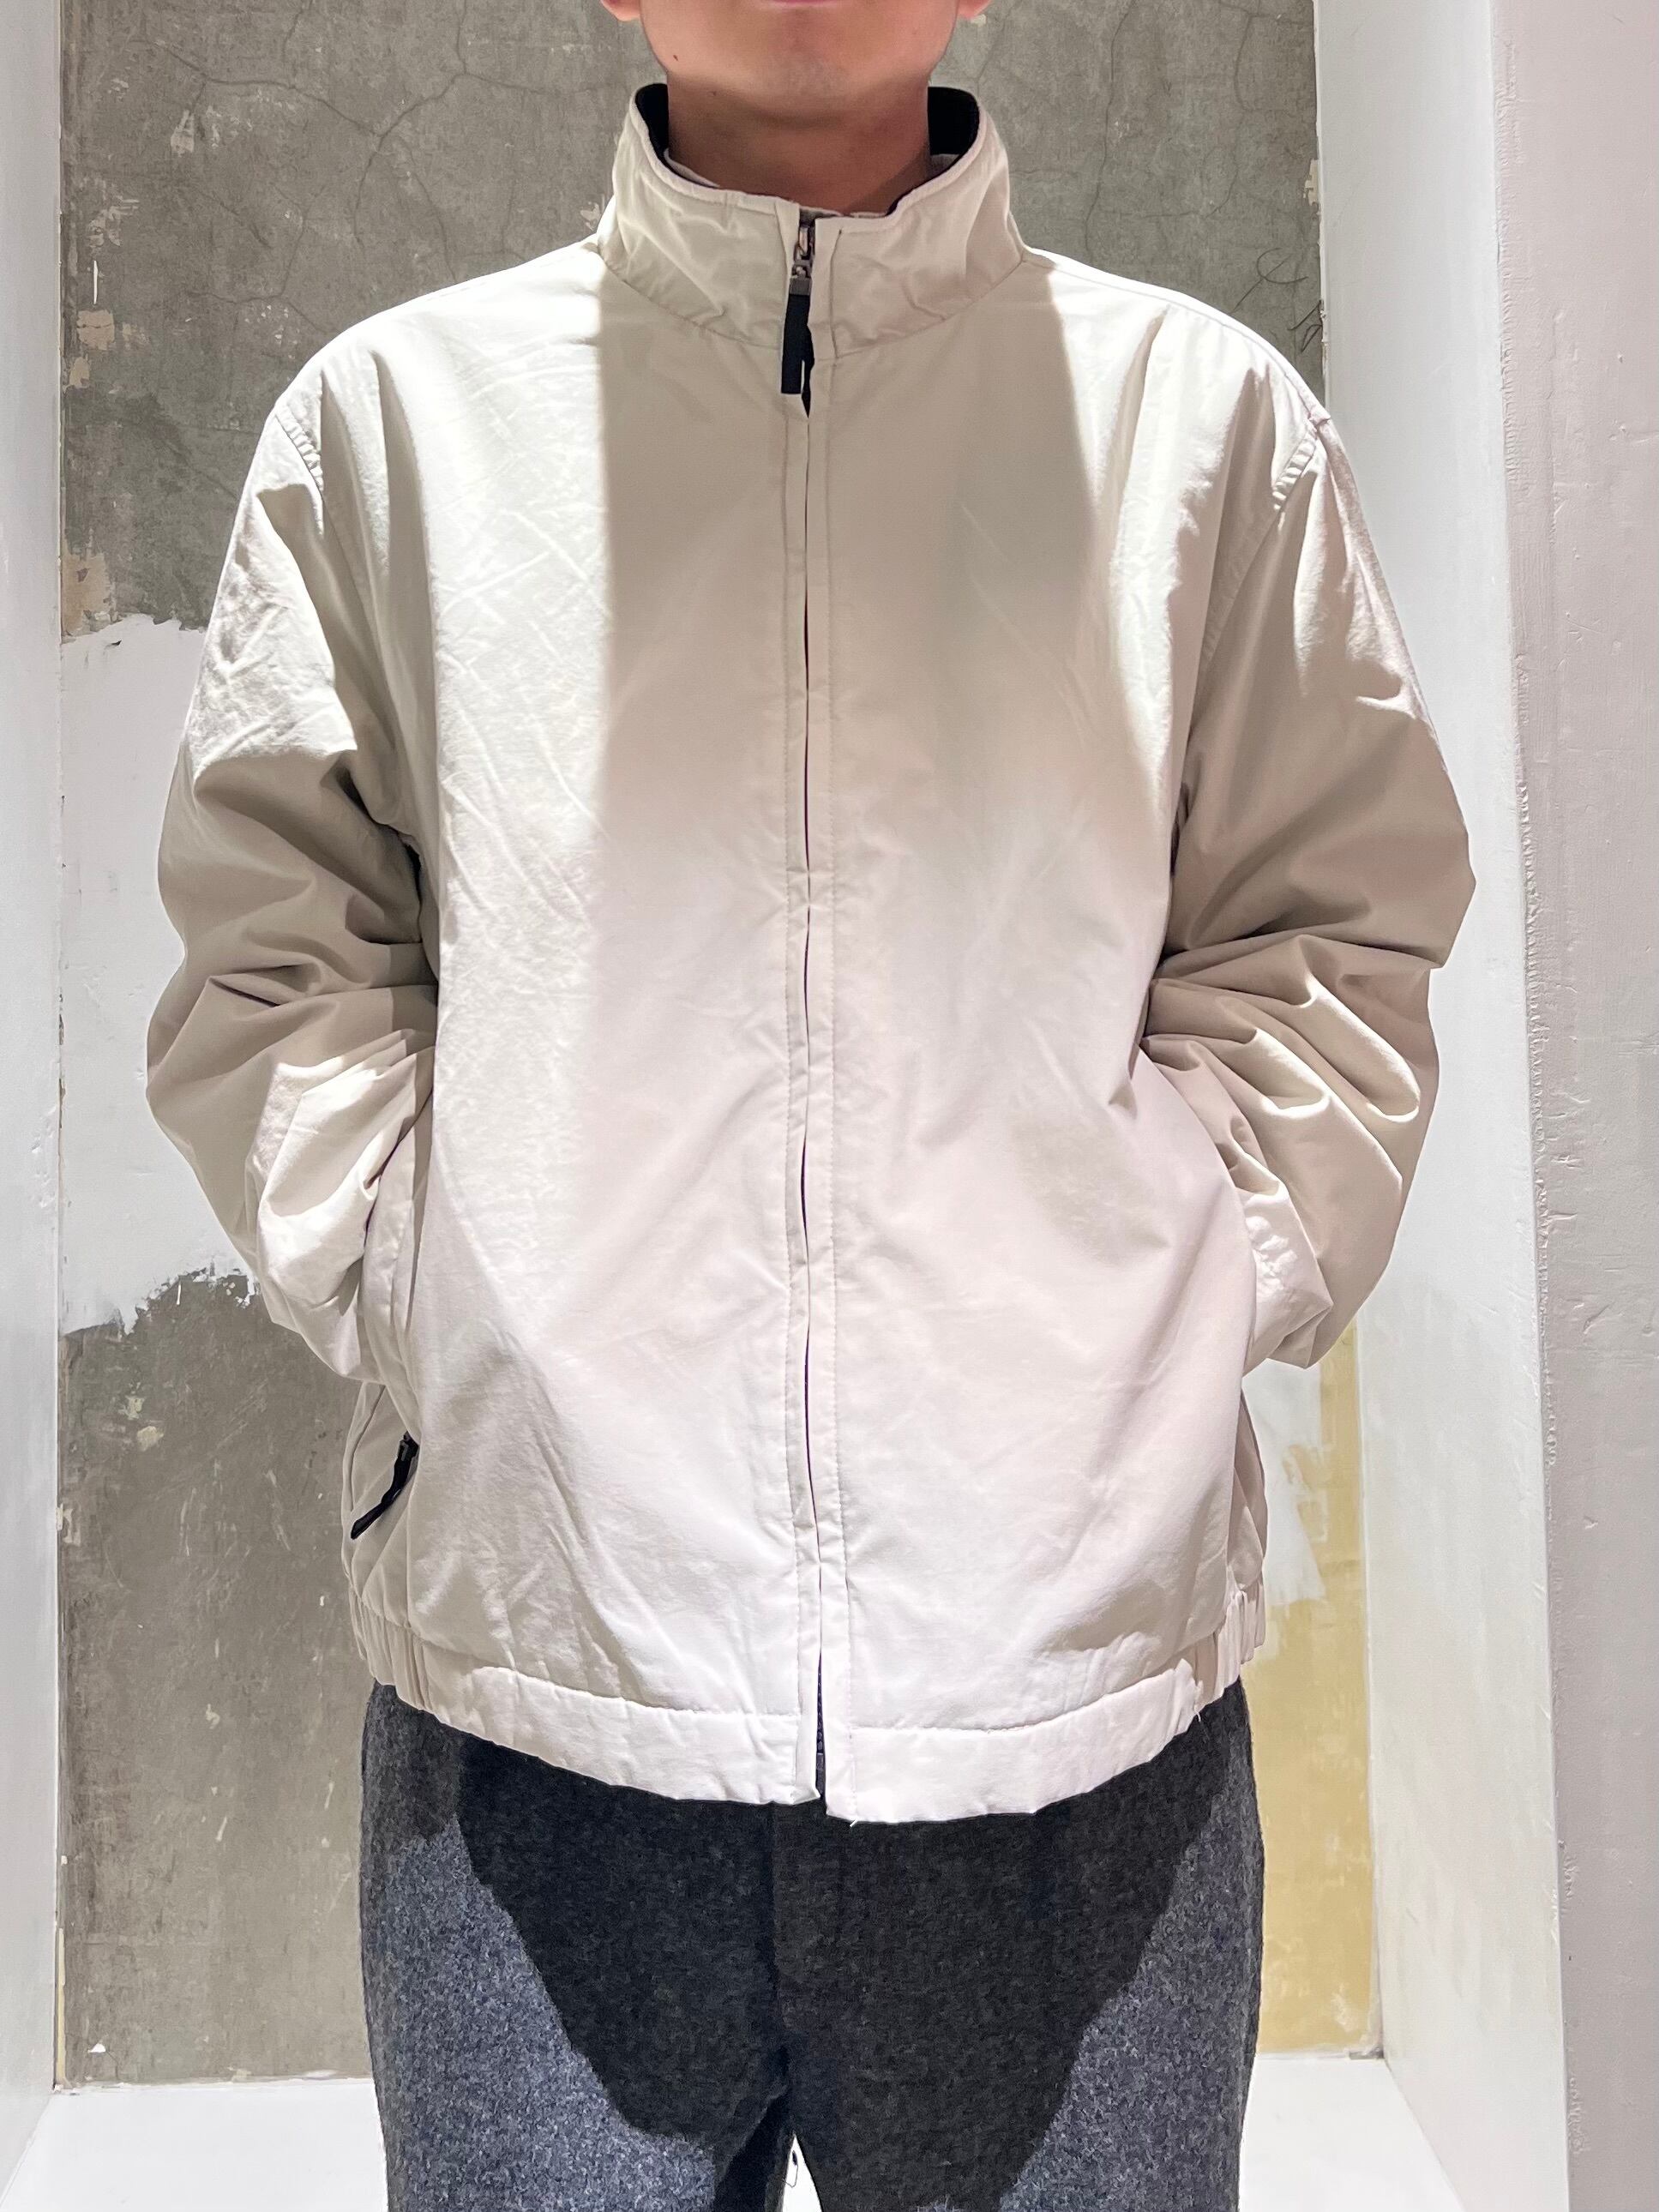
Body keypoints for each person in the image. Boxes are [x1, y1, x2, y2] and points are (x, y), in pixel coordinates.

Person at [145, 1, 1474, 2204]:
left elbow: (1326, 937)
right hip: (543, 1717)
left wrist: (1168, 1303)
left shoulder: (1199, 423)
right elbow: (279, 960)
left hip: (1073, 1724)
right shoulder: (395, 428)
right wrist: (437, 1296)